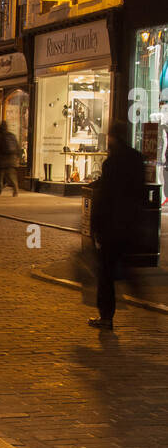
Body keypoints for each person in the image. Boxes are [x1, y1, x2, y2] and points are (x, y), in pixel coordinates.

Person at [88, 120, 147, 331]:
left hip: (111, 227)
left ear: (113, 136)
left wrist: (94, 226)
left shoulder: (111, 163)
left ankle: (106, 317)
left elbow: (105, 198)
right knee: (127, 269)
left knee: (105, 273)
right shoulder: (137, 159)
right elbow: (141, 194)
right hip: (130, 224)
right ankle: (143, 299)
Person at [0, 120, 20, 196]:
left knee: (0, 175)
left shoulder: (0, 136)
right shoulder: (12, 135)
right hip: (12, 158)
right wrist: (17, 157)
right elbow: (17, 147)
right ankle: (15, 190)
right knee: (12, 175)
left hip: (2, 159)